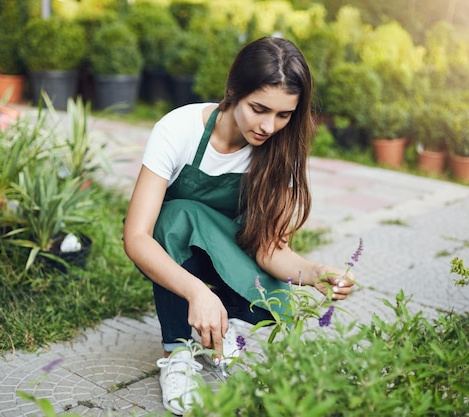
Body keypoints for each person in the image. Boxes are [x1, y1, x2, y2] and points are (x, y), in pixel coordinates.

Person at [123, 36, 354, 415]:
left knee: (275, 307)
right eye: (259, 109)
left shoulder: (282, 152)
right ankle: (178, 352)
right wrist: (197, 293)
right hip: (174, 247)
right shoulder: (179, 129)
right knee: (177, 213)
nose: (269, 126)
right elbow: (136, 236)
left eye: (284, 115)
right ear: (233, 91)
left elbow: (269, 248)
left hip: (230, 253)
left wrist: (314, 272)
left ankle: (223, 333)